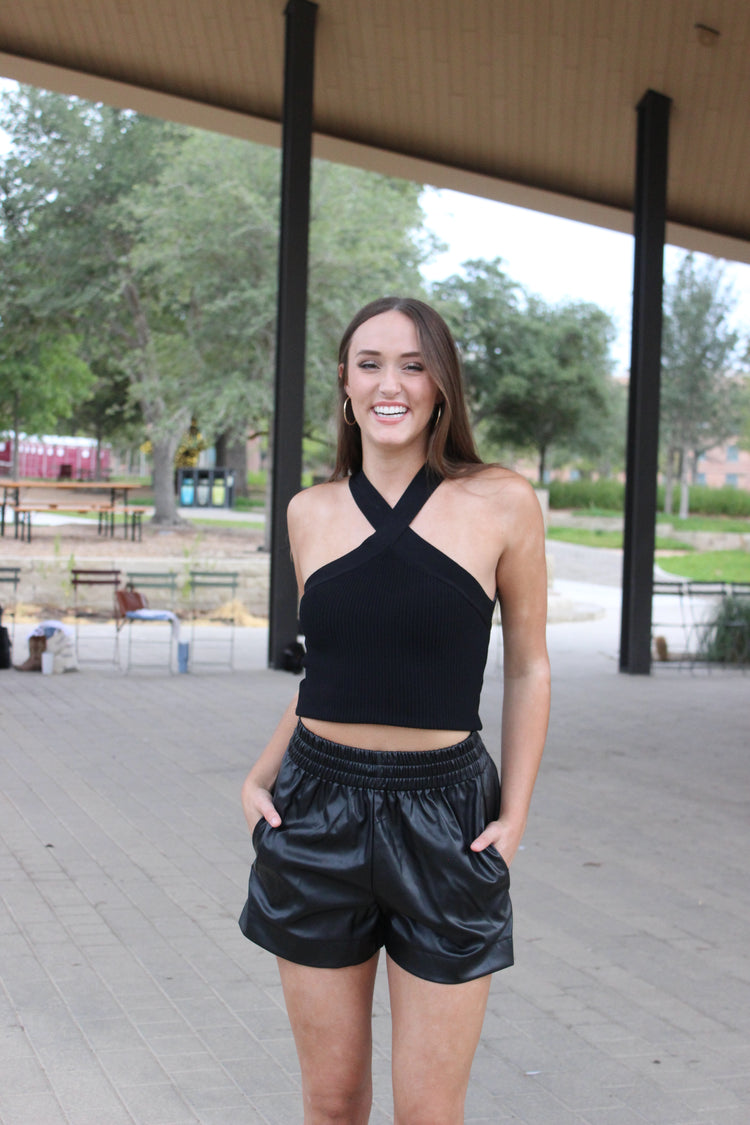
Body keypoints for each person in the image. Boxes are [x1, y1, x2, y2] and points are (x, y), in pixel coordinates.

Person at [240, 296, 550, 1124]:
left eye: (414, 365)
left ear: (442, 385)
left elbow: (528, 665)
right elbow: (327, 672)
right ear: (344, 384)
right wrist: (260, 774)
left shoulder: (503, 501)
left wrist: (514, 815)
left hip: (446, 814)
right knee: (333, 1102)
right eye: (370, 363)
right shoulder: (310, 512)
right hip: (314, 811)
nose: (391, 383)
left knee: (427, 1111)